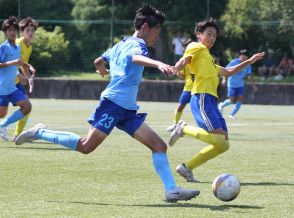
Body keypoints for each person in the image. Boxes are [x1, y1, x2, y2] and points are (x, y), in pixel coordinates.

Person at [15, 5, 200, 203]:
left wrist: (102, 69)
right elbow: (135, 57)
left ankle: (171, 190)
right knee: (86, 147)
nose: (157, 35)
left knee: (159, 146)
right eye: (157, 31)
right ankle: (39, 133)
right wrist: (158, 63)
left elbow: (97, 60)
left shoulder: (119, 44)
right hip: (113, 105)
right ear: (145, 27)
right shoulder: (138, 45)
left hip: (127, 110)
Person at [168, 18, 264, 182]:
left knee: (224, 144)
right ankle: (183, 129)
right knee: (218, 139)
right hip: (202, 97)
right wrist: (175, 68)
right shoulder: (195, 46)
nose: (212, 38)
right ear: (199, 34)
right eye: (209, 34)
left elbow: (227, 71)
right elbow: (185, 60)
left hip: (211, 101)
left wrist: (250, 61)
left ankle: (186, 167)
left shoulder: (208, 57)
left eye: (215, 35)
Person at [0, 16, 31, 141]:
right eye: (9, 30)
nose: (12, 32)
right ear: (5, 32)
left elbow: (14, 67)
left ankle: (2, 125)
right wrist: (13, 63)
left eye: (14, 30)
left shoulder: (18, 48)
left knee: (27, 107)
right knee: (2, 114)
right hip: (2, 88)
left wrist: (19, 75)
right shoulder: (3, 47)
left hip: (11, 88)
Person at [12, 17, 38, 141]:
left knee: (27, 107)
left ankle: (17, 136)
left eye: (32, 30)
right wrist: (18, 75)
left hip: (14, 84)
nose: (31, 33)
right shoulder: (17, 44)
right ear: (22, 32)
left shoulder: (29, 47)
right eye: (28, 30)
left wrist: (29, 79)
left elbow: (23, 65)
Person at [218, 49, 257, 119]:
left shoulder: (248, 64)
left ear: (247, 57)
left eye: (245, 56)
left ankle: (232, 115)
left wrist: (254, 85)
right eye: (242, 55)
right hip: (232, 84)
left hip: (240, 85)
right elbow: (225, 70)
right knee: (233, 101)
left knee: (240, 99)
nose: (243, 57)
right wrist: (224, 79)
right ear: (240, 56)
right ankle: (222, 105)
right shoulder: (234, 62)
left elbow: (250, 75)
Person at [167, 39, 194, 132]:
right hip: (188, 89)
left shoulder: (200, 59)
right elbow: (183, 76)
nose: (185, 51)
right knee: (181, 106)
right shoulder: (183, 61)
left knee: (201, 109)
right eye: (185, 49)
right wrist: (178, 73)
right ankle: (175, 124)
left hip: (200, 88)